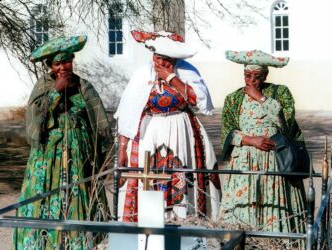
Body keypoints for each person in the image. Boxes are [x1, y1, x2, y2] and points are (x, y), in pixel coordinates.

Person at [13, 35, 112, 249]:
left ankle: (79, 242)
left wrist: (101, 153)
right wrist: (55, 92)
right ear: (51, 66)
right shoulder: (43, 86)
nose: (63, 67)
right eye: (57, 63)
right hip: (48, 159)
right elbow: (34, 120)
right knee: (48, 196)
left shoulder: (84, 87)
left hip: (80, 159)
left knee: (79, 196)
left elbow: (99, 122)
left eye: (66, 61)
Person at [115, 30, 221, 223]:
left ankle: (182, 220)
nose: (160, 63)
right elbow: (127, 113)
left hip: (180, 129)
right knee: (148, 179)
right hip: (149, 132)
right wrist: (122, 148)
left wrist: (171, 77)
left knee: (180, 175)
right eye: (157, 58)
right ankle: (149, 223)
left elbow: (199, 101)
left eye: (165, 59)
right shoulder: (142, 74)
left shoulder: (187, 72)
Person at [220, 50, 306, 235]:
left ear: (265, 75)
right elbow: (227, 132)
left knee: (273, 204)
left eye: (257, 76)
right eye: (247, 75)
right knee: (245, 206)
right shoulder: (233, 98)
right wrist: (250, 140)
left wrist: (260, 97)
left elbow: (286, 125)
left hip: (274, 160)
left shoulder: (280, 92)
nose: (251, 80)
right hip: (245, 160)